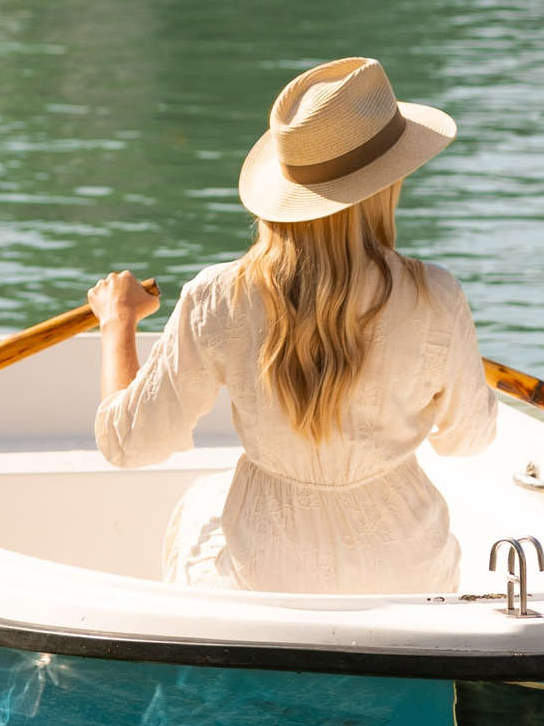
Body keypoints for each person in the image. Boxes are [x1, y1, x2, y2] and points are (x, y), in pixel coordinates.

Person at [87, 57, 497, 595]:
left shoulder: (218, 297)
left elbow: (127, 443)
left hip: (271, 578)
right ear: (388, 181)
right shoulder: (437, 296)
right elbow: (469, 440)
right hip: (411, 573)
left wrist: (117, 321)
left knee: (198, 508)